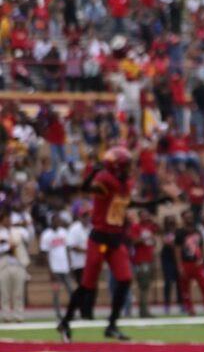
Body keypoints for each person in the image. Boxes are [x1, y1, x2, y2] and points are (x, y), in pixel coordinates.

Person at [58, 146, 170, 341]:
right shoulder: (105, 180)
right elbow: (85, 189)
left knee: (125, 279)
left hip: (116, 239)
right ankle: (65, 322)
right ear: (117, 167)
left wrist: (157, 201)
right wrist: (93, 171)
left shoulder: (124, 182)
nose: (129, 169)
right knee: (87, 285)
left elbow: (127, 203)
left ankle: (112, 324)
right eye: (126, 166)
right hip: (99, 238)